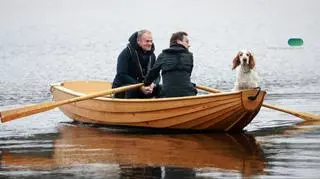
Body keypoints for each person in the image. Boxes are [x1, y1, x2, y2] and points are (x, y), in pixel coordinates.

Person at [144, 31, 197, 98]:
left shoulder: (163, 55)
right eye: (186, 42)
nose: (189, 45)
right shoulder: (190, 56)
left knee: (157, 89)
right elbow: (187, 75)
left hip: (167, 95)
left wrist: (146, 84)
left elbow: (152, 74)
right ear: (178, 41)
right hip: (188, 94)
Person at [112, 30, 160, 98]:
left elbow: (157, 75)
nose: (150, 43)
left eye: (151, 41)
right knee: (132, 90)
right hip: (123, 88)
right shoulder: (126, 53)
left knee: (160, 88)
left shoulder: (152, 56)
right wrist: (139, 86)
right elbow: (121, 75)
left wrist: (153, 84)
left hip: (143, 87)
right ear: (138, 41)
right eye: (147, 41)